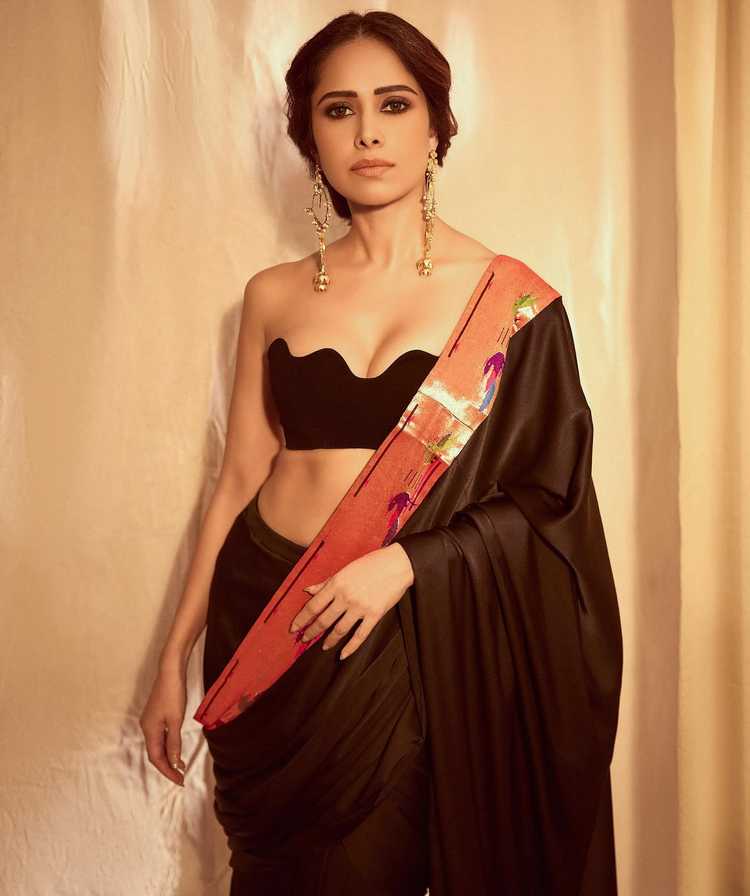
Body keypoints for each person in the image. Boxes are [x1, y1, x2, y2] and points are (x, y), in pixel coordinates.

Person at [139, 11, 623, 896]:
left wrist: (410, 563)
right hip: (264, 610)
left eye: (393, 105)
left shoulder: (509, 303)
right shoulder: (272, 295)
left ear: (436, 126)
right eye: (339, 109)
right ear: (309, 137)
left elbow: (551, 502)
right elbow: (237, 478)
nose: (367, 132)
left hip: (397, 631)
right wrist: (173, 655)